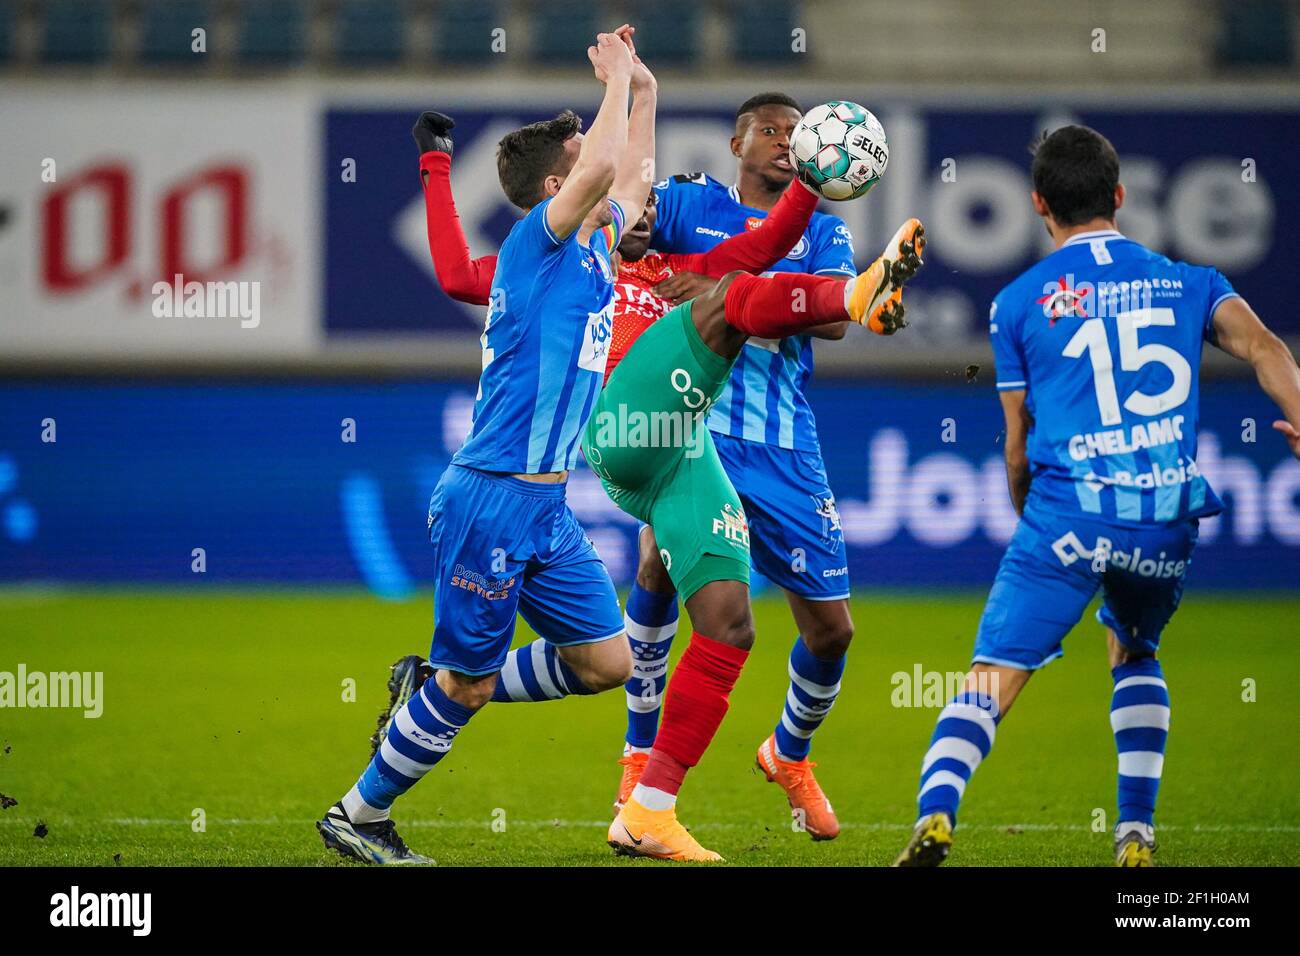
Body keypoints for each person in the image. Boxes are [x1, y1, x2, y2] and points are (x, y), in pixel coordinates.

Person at [893, 125, 1300, 868]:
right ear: (1119, 196)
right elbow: (1269, 348)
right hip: (1165, 516)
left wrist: (1031, 516)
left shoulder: (1018, 304)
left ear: (1037, 205)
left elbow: (1017, 443)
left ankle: (936, 814)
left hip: (1069, 515)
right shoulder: (1191, 281)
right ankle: (1135, 835)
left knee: (993, 673)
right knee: (1135, 648)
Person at [317, 27, 656, 865]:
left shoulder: (595, 246)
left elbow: (632, 179)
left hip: (544, 504)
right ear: (555, 185)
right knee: (466, 684)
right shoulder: (536, 245)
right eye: (580, 159)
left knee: (607, 660)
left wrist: (640, 88)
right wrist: (611, 83)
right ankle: (357, 815)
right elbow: (607, 170)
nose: (597, 165)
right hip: (493, 494)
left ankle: (433, 687)